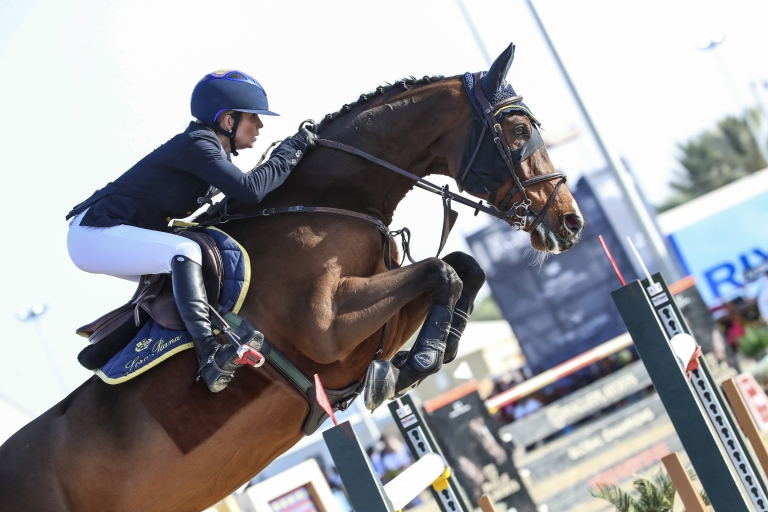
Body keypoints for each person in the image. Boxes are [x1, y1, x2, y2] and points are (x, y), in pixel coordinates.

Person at [66, 69, 316, 392]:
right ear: (228, 120)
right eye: (254, 117)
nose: (261, 126)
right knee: (184, 252)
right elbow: (251, 191)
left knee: (196, 261)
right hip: (92, 233)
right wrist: (293, 148)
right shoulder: (199, 144)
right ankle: (209, 354)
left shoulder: (209, 147)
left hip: (113, 232)